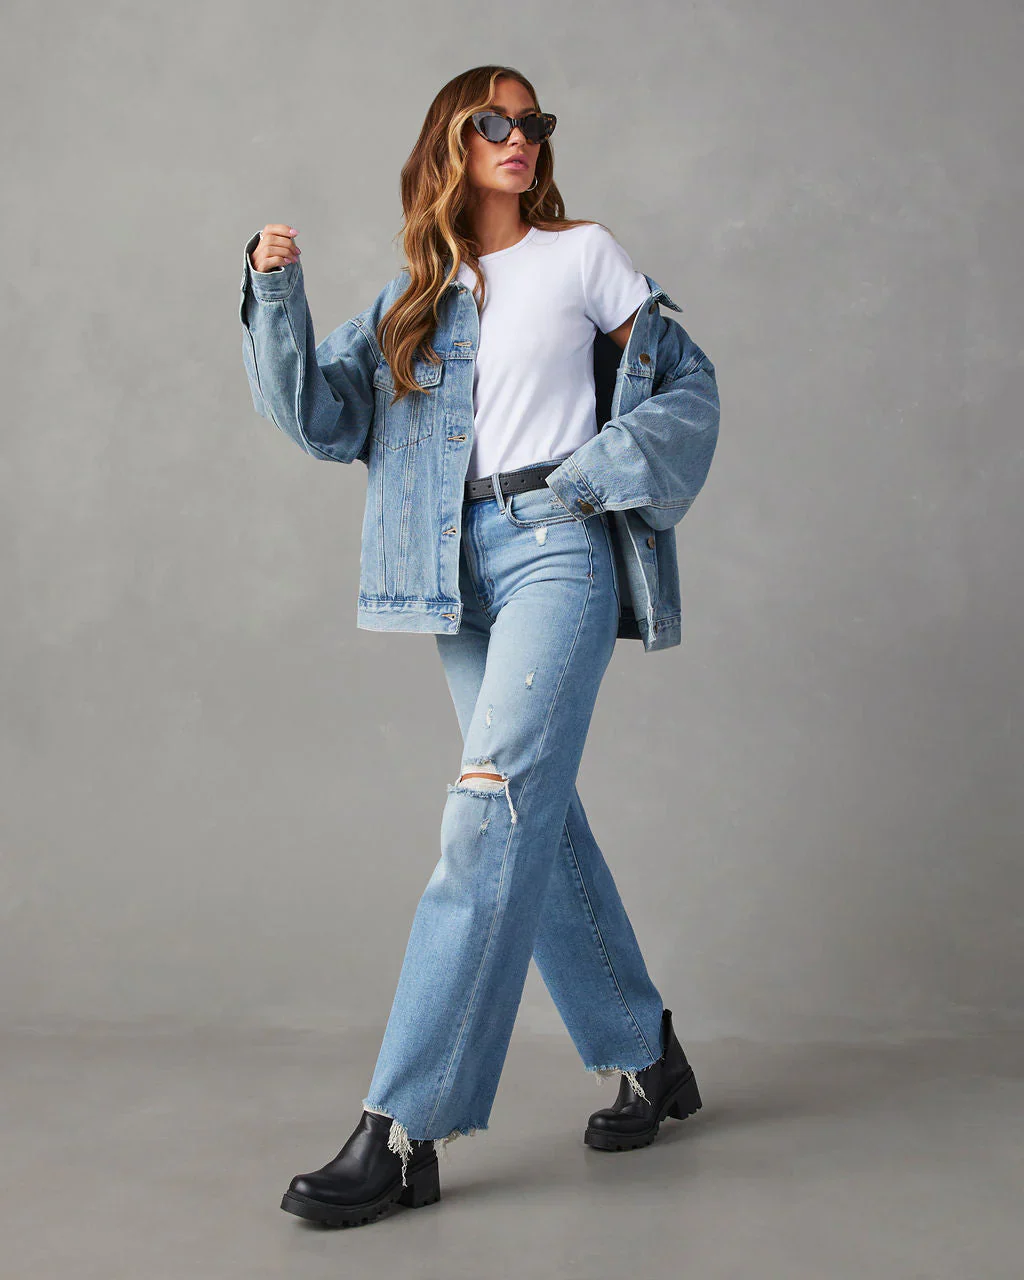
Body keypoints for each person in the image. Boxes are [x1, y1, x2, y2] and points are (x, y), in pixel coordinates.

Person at [239, 64, 719, 1230]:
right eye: (492, 121)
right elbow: (320, 418)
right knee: (530, 814)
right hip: (454, 578)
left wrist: (589, 476)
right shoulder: (416, 294)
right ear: (449, 143)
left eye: (531, 121)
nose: (518, 137)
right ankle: (646, 1051)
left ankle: (403, 1128)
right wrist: (275, 291)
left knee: (486, 816)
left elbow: (686, 386)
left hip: (556, 547)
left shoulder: (582, 255)